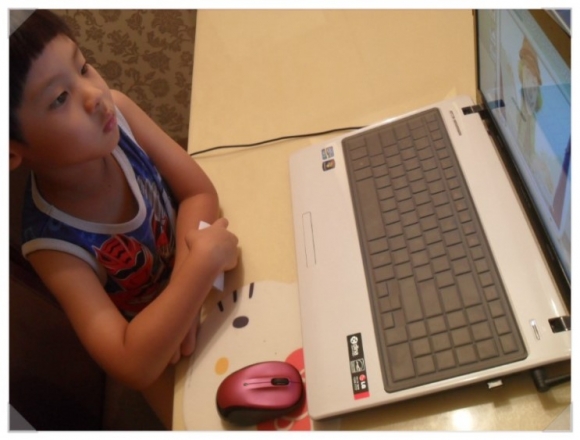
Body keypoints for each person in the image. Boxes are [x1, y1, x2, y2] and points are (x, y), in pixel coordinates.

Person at [9, 10, 239, 428]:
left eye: (83, 67)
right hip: (159, 349)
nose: (95, 95)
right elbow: (130, 363)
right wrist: (199, 269)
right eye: (59, 98)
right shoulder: (51, 243)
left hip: (196, 294)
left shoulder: (121, 115)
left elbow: (198, 192)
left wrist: (187, 296)